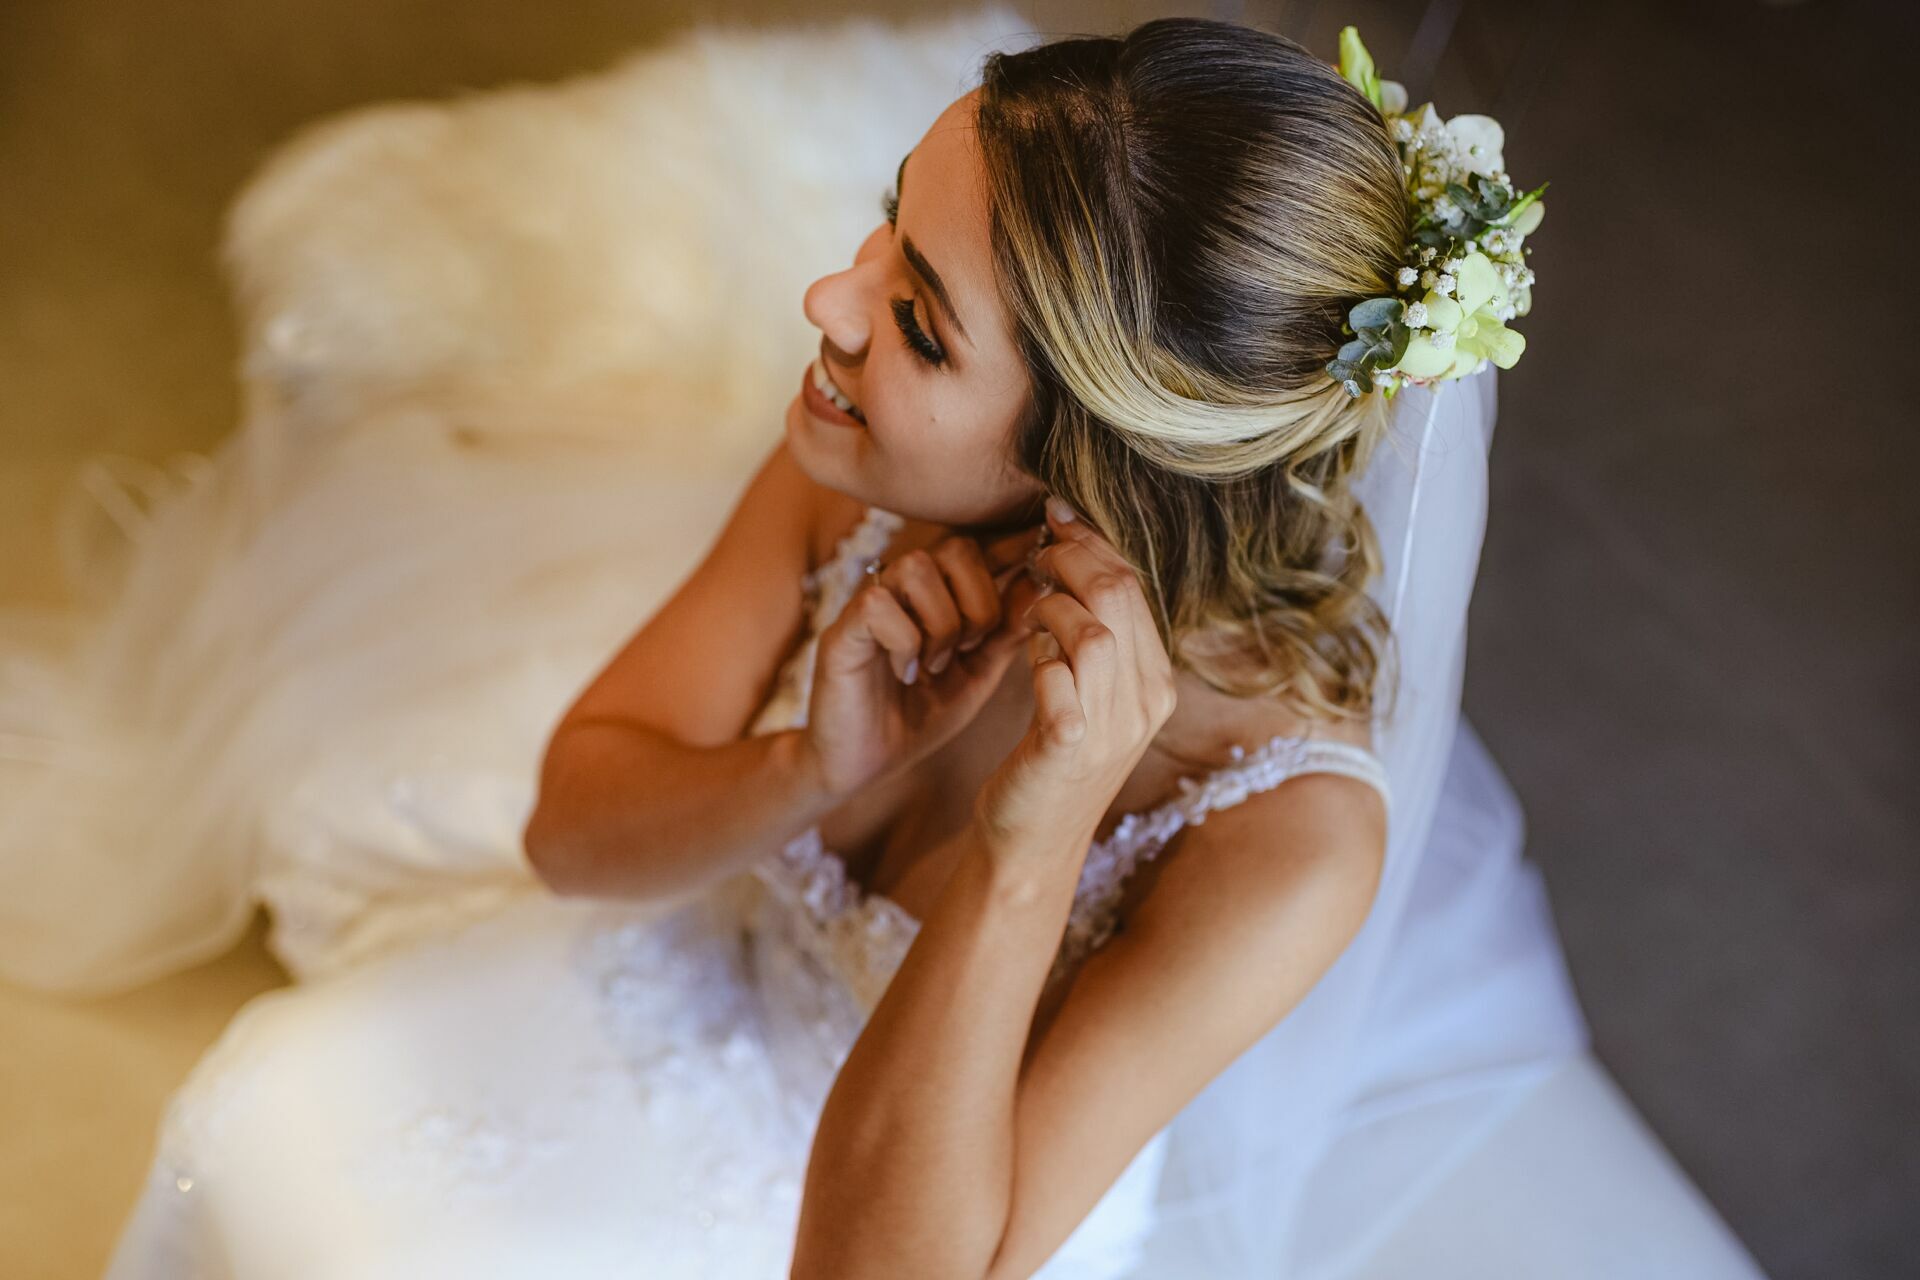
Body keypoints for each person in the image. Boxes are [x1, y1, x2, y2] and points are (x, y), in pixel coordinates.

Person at [94, 18, 1589, 1277]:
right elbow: (570, 836)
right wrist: (809, 762)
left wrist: (1033, 844)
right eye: (889, 226)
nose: (828, 301)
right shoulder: (849, 471)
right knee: (262, 1111)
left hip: (917, 1212)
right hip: (677, 966)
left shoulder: (1284, 838)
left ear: (1100, 469)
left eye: (921, 323)